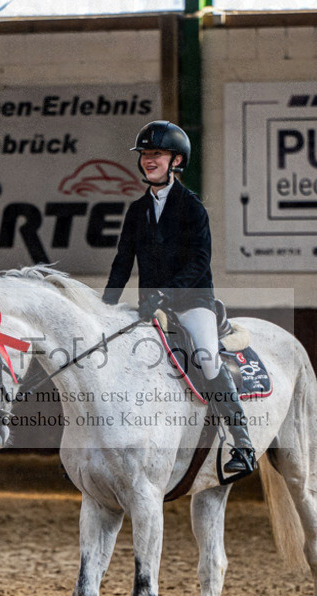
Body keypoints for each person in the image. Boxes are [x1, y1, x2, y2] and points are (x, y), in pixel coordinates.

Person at [103, 120, 255, 477]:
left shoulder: (192, 208)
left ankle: (242, 443)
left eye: (156, 154)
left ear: (176, 160)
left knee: (206, 357)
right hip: (150, 306)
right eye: (144, 154)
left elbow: (200, 261)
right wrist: (105, 307)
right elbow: (123, 262)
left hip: (192, 302)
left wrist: (165, 293)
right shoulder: (136, 211)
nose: (147, 160)